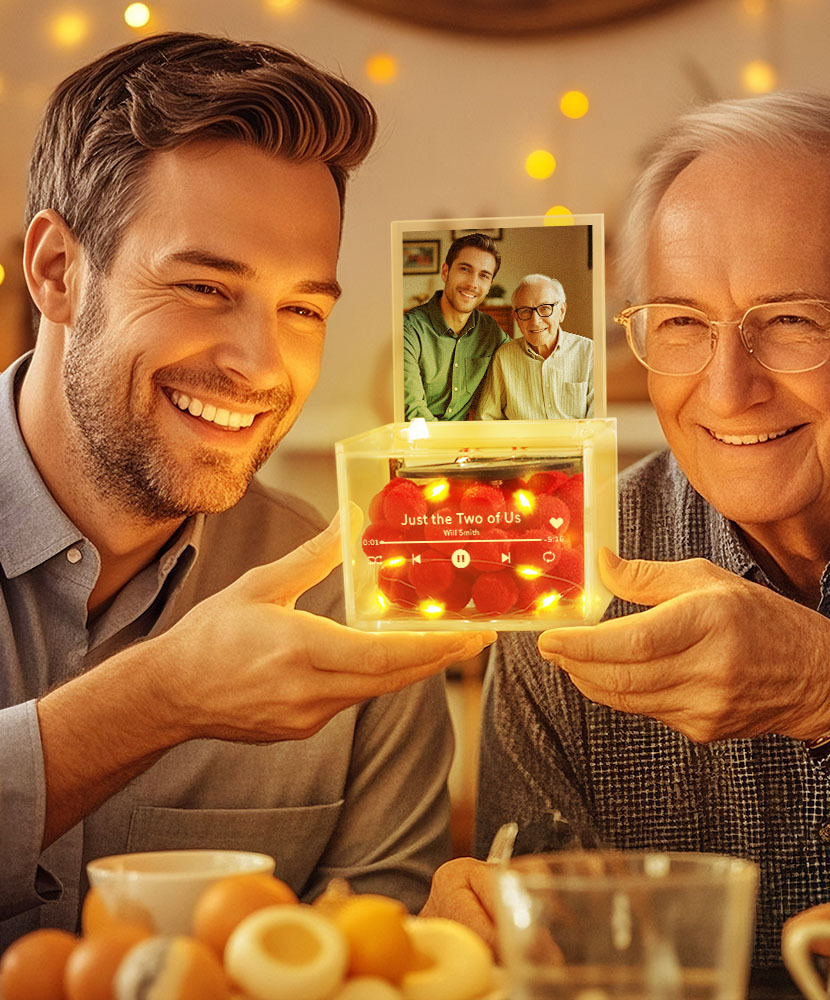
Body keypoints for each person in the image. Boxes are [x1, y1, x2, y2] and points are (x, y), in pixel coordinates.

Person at [446, 92, 830, 971]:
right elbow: (561, 960)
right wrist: (497, 935)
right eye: (681, 324)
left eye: (791, 321)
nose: (727, 387)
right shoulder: (569, 562)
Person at [0, 33, 495, 949]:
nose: (262, 367)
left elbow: (371, 957)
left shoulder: (352, 597)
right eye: (202, 287)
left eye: (303, 308)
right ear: (56, 271)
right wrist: (163, 698)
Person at [402, 233, 508, 421]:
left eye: (483, 275)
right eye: (465, 269)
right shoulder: (409, 329)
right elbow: (414, 412)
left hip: (465, 444)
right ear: (445, 271)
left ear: (489, 285)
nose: (473, 283)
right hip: (421, 443)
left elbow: (520, 362)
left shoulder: (490, 332)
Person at [477, 274, 594, 420]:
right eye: (525, 311)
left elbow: (598, 423)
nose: (536, 321)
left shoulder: (589, 352)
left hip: (576, 443)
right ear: (516, 317)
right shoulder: (504, 357)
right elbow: (488, 418)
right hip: (520, 443)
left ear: (561, 312)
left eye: (545, 308)